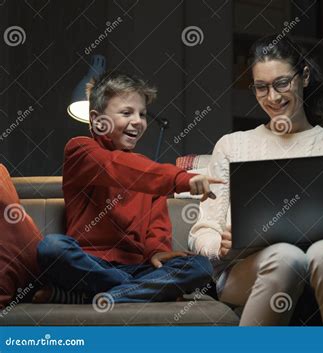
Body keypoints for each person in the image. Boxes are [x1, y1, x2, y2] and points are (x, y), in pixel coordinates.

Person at [189, 35, 323, 326]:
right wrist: (220, 245)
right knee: (286, 257)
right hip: (250, 273)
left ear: (304, 77)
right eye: (261, 87)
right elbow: (202, 230)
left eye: (282, 83)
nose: (272, 97)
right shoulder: (232, 146)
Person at [34, 71, 222, 305]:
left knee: (200, 267)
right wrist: (181, 178)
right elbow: (118, 167)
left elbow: (157, 227)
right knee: (51, 247)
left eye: (142, 114)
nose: (138, 121)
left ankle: (93, 295)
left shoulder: (147, 171)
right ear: (97, 119)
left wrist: (156, 251)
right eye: (126, 112)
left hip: (139, 269)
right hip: (90, 264)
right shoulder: (80, 150)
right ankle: (143, 292)